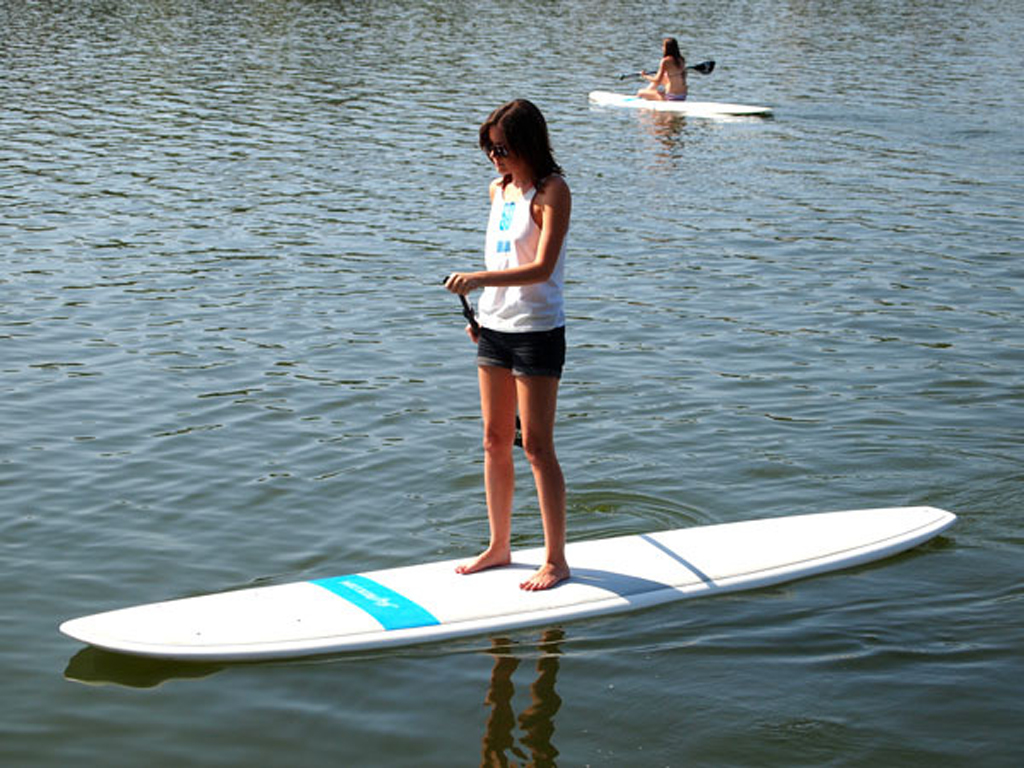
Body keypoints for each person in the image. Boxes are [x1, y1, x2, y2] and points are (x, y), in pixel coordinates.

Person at [444, 99, 571, 592]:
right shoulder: (497, 190)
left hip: (538, 331)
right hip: (494, 328)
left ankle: (555, 560)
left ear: (528, 145)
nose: (495, 158)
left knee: (536, 446)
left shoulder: (552, 192)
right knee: (495, 441)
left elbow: (541, 268)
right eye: (490, 149)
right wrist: (481, 313)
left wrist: (476, 279)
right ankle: (499, 546)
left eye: (503, 149)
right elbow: (502, 257)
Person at [637, 37, 688, 101]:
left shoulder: (665, 61)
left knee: (640, 92)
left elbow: (657, 80)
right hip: (683, 95)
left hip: (671, 97)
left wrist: (644, 75)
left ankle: (646, 95)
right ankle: (649, 93)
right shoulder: (681, 60)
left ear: (667, 48)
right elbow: (683, 75)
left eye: (663, 46)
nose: (662, 48)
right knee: (664, 78)